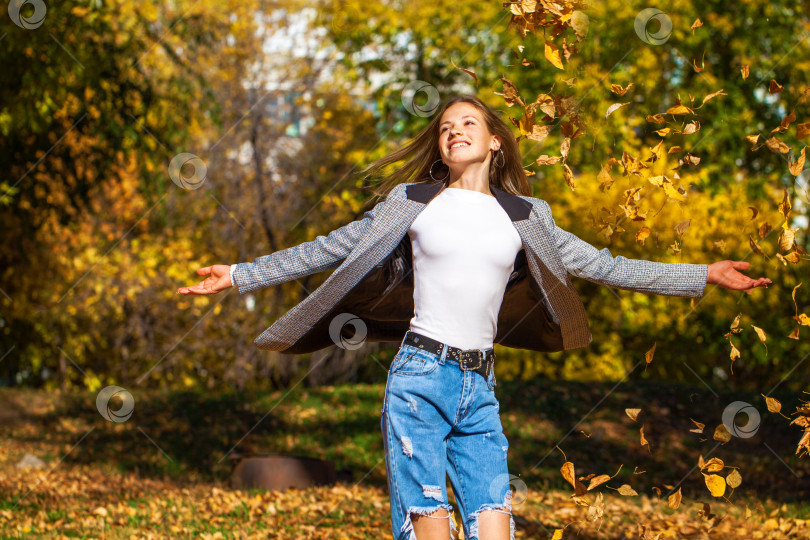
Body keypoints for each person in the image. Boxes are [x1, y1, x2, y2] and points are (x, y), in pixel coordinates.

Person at [177, 94, 771, 540]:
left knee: (495, 525)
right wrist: (239, 273)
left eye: (467, 124)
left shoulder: (526, 215)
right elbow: (332, 246)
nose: (454, 132)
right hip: (418, 379)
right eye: (445, 128)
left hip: (479, 387)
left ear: (494, 143)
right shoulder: (411, 204)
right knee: (427, 524)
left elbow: (604, 264)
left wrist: (702, 274)